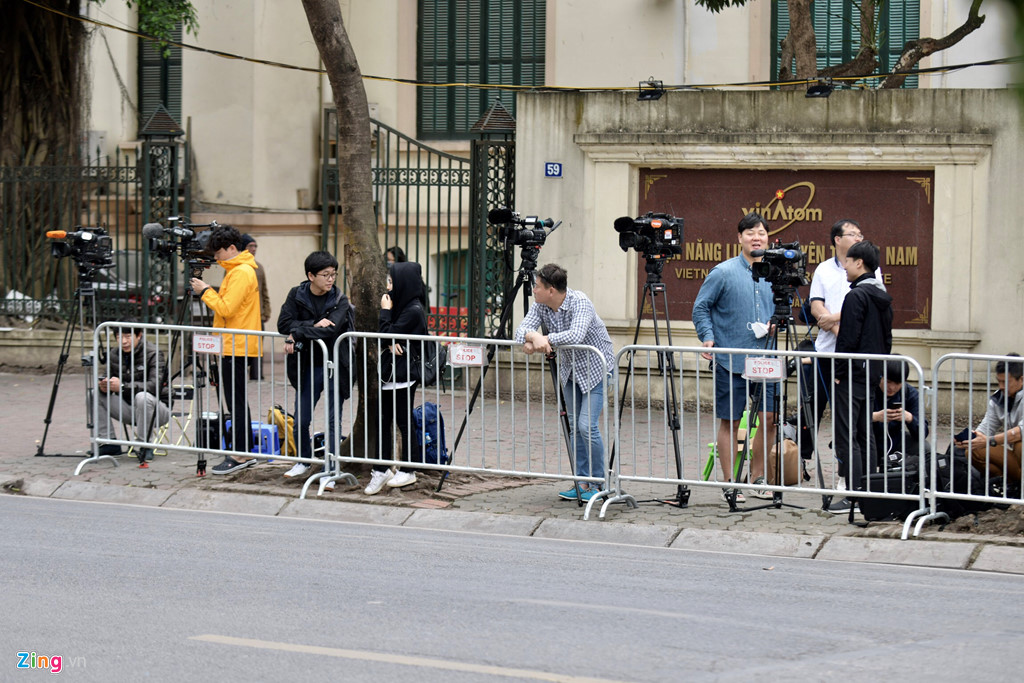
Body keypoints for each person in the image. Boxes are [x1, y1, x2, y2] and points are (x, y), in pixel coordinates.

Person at [692, 212, 778, 503]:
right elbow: (701, 307)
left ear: (768, 238)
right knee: (731, 420)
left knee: (769, 418)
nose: (757, 237)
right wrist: (708, 336)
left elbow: (783, 308)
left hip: (767, 358)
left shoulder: (776, 273)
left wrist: (778, 322)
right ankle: (730, 482)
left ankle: (758, 478)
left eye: (762, 233)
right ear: (740, 238)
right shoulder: (723, 272)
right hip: (731, 358)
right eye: (751, 233)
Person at [513, 263, 615, 503]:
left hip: (596, 369)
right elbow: (521, 330)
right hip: (570, 371)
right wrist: (533, 336)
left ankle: (600, 483)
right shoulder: (542, 305)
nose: (533, 291)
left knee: (586, 426)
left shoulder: (580, 302)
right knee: (574, 427)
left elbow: (576, 335)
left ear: (551, 290)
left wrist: (542, 339)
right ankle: (581, 483)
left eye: (537, 287)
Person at [804, 219, 885, 440]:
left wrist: (834, 320)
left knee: (850, 415)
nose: (859, 238)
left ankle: (847, 467)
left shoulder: (871, 270)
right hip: (826, 351)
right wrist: (835, 328)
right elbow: (815, 305)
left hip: (854, 355)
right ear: (837, 240)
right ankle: (801, 458)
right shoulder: (823, 269)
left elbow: (870, 303)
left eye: (860, 234)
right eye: (852, 234)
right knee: (811, 410)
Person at [190, 224, 262, 474]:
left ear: (232, 248)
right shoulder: (237, 269)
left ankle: (241, 454)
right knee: (237, 402)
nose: (217, 257)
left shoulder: (241, 272)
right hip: (233, 344)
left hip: (237, 345)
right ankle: (244, 451)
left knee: (236, 402)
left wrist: (205, 291)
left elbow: (227, 308)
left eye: (219, 252)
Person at [277, 251, 354, 479]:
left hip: (333, 365)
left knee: (333, 419)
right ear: (311, 276)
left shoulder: (340, 299)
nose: (331, 279)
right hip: (307, 365)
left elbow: (331, 329)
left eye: (334, 274)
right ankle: (302, 460)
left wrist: (297, 333)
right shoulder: (296, 294)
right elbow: (283, 323)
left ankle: (331, 465)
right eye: (325, 275)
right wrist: (311, 324)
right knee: (301, 418)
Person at [830, 240, 893, 513]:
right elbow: (887, 340)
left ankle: (854, 494)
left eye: (847, 261)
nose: (844, 266)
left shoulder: (856, 296)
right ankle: (871, 491)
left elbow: (847, 339)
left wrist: (839, 372)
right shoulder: (882, 297)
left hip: (853, 374)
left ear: (859, 263)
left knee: (848, 433)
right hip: (871, 373)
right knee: (866, 432)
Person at [365, 261, 427, 495]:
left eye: (391, 281)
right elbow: (387, 338)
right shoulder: (402, 305)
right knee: (383, 420)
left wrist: (385, 314)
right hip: (391, 372)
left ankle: (408, 469)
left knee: (402, 419)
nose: (388, 286)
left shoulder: (413, 310)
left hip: (404, 374)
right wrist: (390, 341)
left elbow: (385, 334)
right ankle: (381, 469)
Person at [95, 326, 169, 466]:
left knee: (142, 397)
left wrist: (123, 386)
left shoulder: (153, 353)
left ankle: (145, 446)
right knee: (94, 393)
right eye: (119, 337)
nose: (123, 341)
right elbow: (107, 377)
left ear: (139, 335)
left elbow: (155, 386)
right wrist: (105, 385)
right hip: (128, 407)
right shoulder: (114, 353)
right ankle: (108, 442)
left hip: (157, 410)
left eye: (128, 337)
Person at [956, 353, 1023, 488]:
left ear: (1021, 380)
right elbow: (986, 428)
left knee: (1020, 444)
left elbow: (1021, 431)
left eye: (1006, 382)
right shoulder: (999, 397)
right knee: (973, 450)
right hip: (1015, 458)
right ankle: (1009, 487)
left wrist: (990, 440)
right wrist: (970, 439)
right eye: (999, 381)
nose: (1001, 386)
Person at [871, 359, 929, 468]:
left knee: (925, 448)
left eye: (897, 383)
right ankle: (847, 476)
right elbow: (850, 419)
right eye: (888, 382)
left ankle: (916, 481)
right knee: (849, 441)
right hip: (868, 439)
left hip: (895, 439)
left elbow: (923, 432)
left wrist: (910, 418)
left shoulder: (910, 393)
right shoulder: (868, 388)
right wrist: (875, 417)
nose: (892, 388)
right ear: (880, 376)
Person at [240, 233, 271, 380]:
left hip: (258, 315)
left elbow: (264, 290)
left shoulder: (259, 267)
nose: (253, 249)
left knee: (258, 345)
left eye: (255, 246)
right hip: (243, 316)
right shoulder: (237, 267)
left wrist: (267, 311)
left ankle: (256, 374)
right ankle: (240, 372)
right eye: (250, 246)